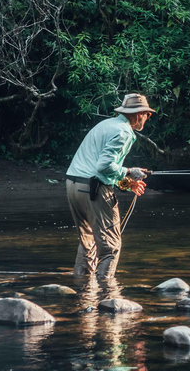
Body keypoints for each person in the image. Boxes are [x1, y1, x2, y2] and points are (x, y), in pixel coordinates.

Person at [65, 93, 155, 279]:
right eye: (148, 114)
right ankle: (108, 297)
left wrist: (126, 183)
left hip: (73, 186)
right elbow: (103, 166)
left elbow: (100, 168)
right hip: (93, 190)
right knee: (110, 248)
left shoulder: (106, 124)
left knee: (88, 242)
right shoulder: (124, 131)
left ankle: (84, 292)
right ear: (139, 114)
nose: (148, 118)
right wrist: (130, 171)